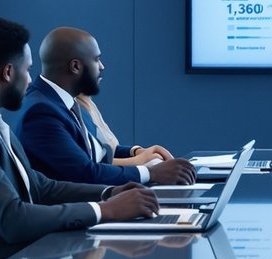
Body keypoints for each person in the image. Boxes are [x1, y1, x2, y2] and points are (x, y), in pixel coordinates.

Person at [0, 17, 158, 259]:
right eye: (28, 69)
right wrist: (104, 210)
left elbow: (39, 186)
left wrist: (109, 193)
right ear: (8, 72)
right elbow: (12, 219)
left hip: (27, 258)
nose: (30, 80)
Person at [18, 27, 195, 186]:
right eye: (97, 60)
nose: (102, 67)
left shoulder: (64, 101)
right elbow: (85, 173)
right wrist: (151, 172)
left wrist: (137, 153)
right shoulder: (41, 112)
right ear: (75, 66)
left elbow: (98, 151)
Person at [76, 94, 173, 169]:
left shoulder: (88, 103)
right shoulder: (75, 110)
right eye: (96, 66)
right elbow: (93, 162)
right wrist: (139, 160)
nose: (101, 67)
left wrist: (135, 151)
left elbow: (106, 149)